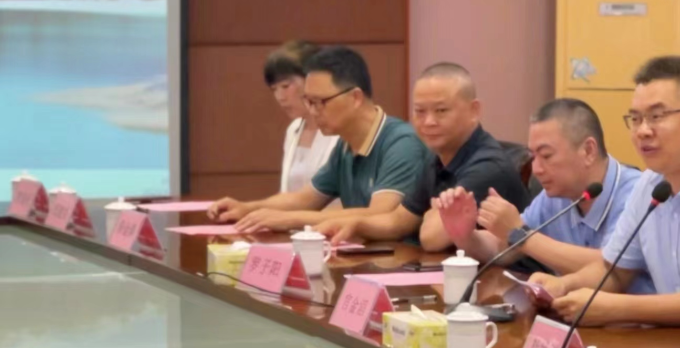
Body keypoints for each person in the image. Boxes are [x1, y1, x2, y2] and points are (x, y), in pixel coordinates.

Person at [528, 56, 680, 327]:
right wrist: (564, 285)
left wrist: (616, 308)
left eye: (657, 116)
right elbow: (615, 271)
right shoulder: (651, 183)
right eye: (635, 118)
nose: (643, 131)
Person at [207, 46, 428, 232]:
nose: (312, 112)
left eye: (320, 102)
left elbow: (381, 213)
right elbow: (305, 199)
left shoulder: (401, 143)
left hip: (400, 262)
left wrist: (290, 220)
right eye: (309, 102)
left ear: (355, 98)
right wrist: (247, 208)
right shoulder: (345, 145)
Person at [316, 63, 529, 250]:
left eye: (441, 111)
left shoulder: (487, 166)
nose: (429, 122)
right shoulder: (436, 156)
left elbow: (431, 238)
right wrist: (357, 224)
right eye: (420, 111)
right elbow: (401, 219)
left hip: (503, 279)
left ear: (474, 111)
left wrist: (429, 217)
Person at [437, 98, 648, 286]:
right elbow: (504, 249)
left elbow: (612, 268)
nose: (536, 169)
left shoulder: (636, 194)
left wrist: (521, 235)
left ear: (588, 151)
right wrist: (465, 236)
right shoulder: (555, 196)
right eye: (533, 156)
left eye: (546, 156)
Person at [263, 40, 339, 193]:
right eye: (274, 89)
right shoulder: (294, 129)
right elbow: (288, 194)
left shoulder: (342, 130)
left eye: (285, 86)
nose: (280, 97)